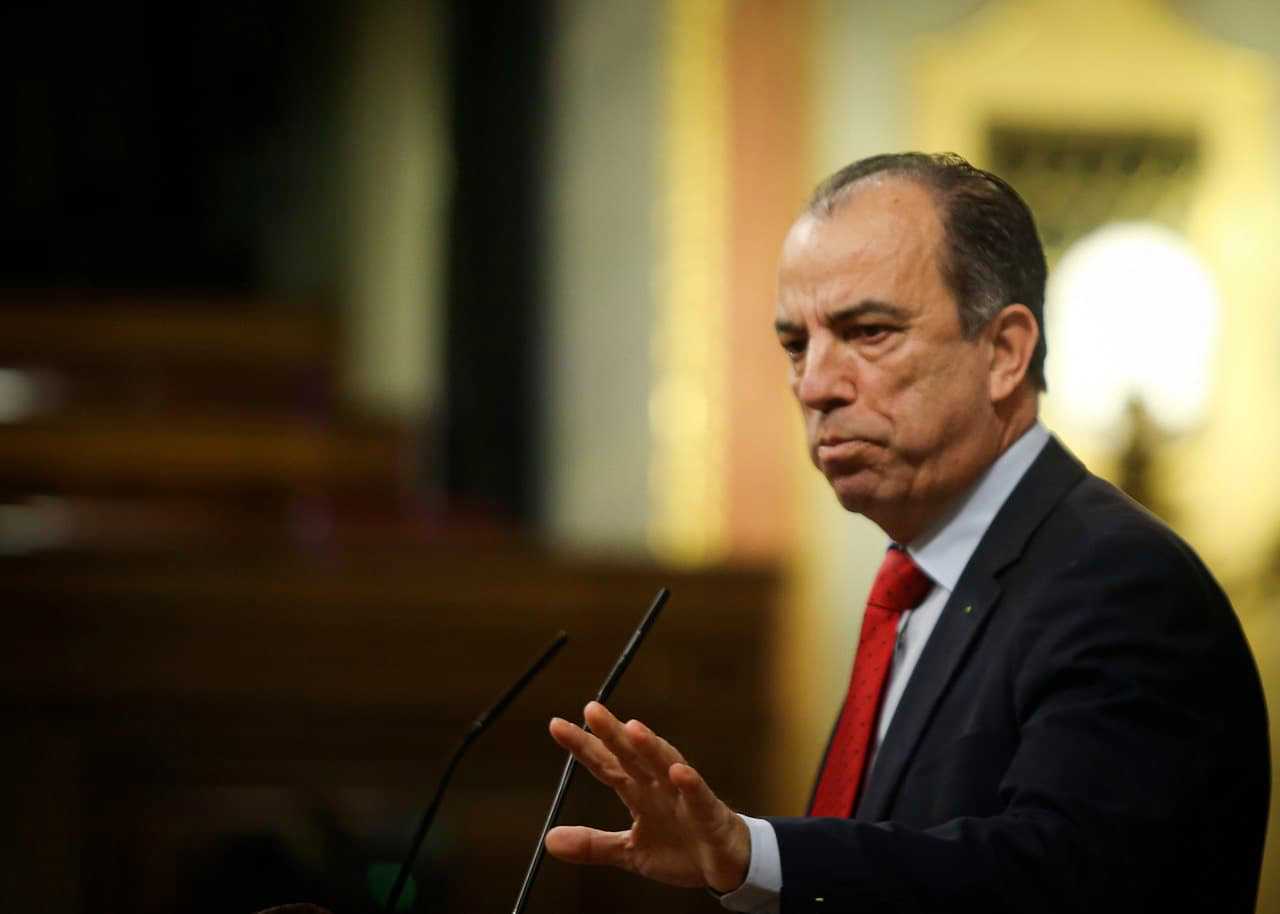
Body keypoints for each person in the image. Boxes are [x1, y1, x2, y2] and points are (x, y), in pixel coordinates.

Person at [544, 152, 1270, 913]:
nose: (817, 384)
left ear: (1004, 352)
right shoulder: (921, 584)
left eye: (868, 332)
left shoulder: (1122, 583)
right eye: (797, 345)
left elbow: (1065, 883)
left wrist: (756, 855)